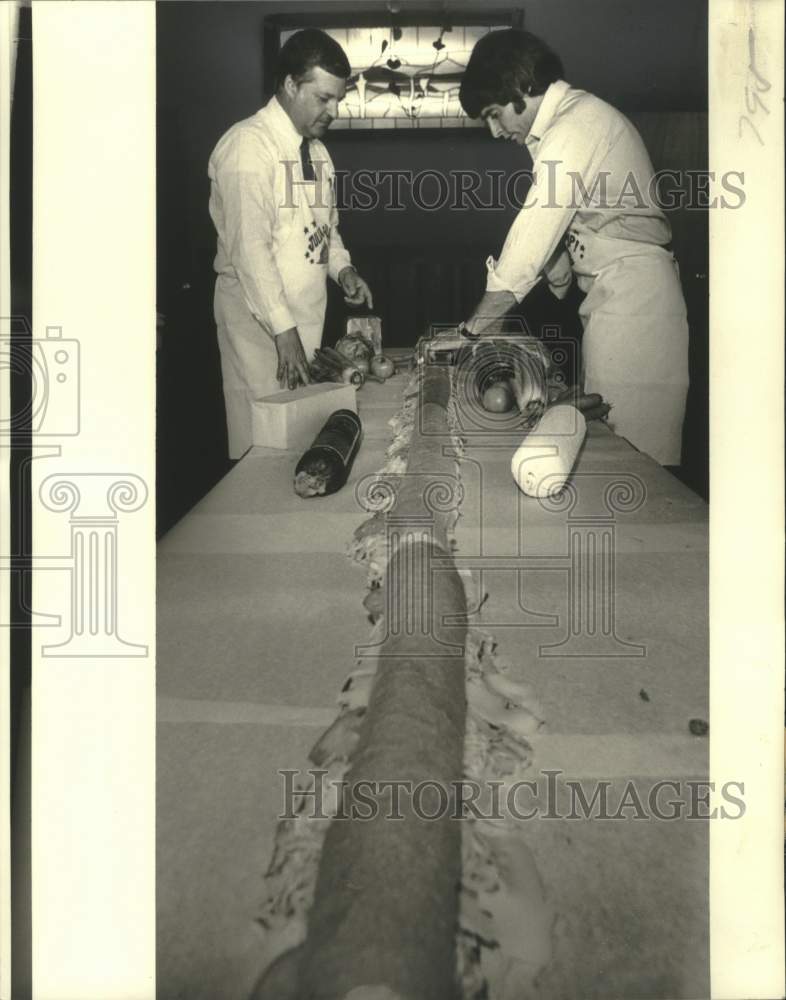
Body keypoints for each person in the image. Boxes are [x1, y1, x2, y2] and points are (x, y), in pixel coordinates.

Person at [457, 29, 689, 466]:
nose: (493, 130)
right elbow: (557, 254)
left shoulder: (576, 123)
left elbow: (535, 230)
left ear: (523, 88)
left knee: (635, 463)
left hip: (637, 302)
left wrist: (474, 328)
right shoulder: (555, 130)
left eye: (493, 114)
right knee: (608, 449)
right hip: (614, 299)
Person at [208, 29, 373, 458]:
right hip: (261, 333)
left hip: (306, 327)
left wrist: (343, 269)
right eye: (323, 98)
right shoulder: (248, 147)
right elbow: (250, 251)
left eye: (338, 99)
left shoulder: (316, 153)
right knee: (262, 450)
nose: (334, 110)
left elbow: (324, 228)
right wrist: (284, 332)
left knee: (304, 448)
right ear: (288, 85)